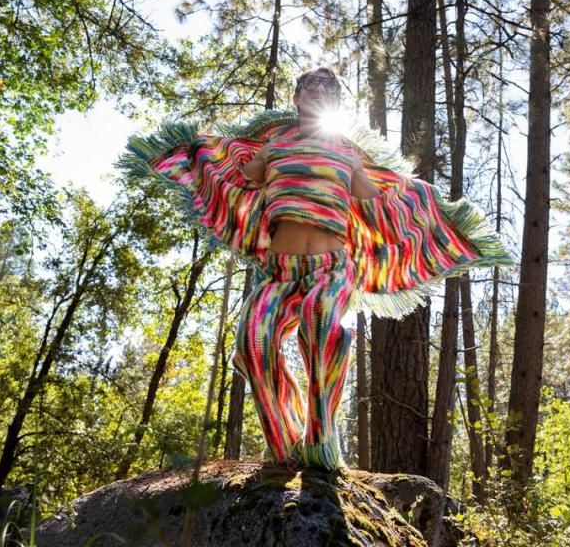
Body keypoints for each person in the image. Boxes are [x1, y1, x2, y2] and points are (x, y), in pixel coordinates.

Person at [117, 65, 512, 473]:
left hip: (331, 268)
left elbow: (378, 205)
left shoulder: (347, 152)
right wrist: (201, 155)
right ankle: (283, 441)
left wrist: (421, 201)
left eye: (328, 89)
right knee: (254, 344)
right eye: (311, 87)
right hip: (278, 271)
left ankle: (321, 441)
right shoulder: (274, 146)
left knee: (322, 326)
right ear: (297, 98)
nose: (319, 92)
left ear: (337, 103)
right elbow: (237, 181)